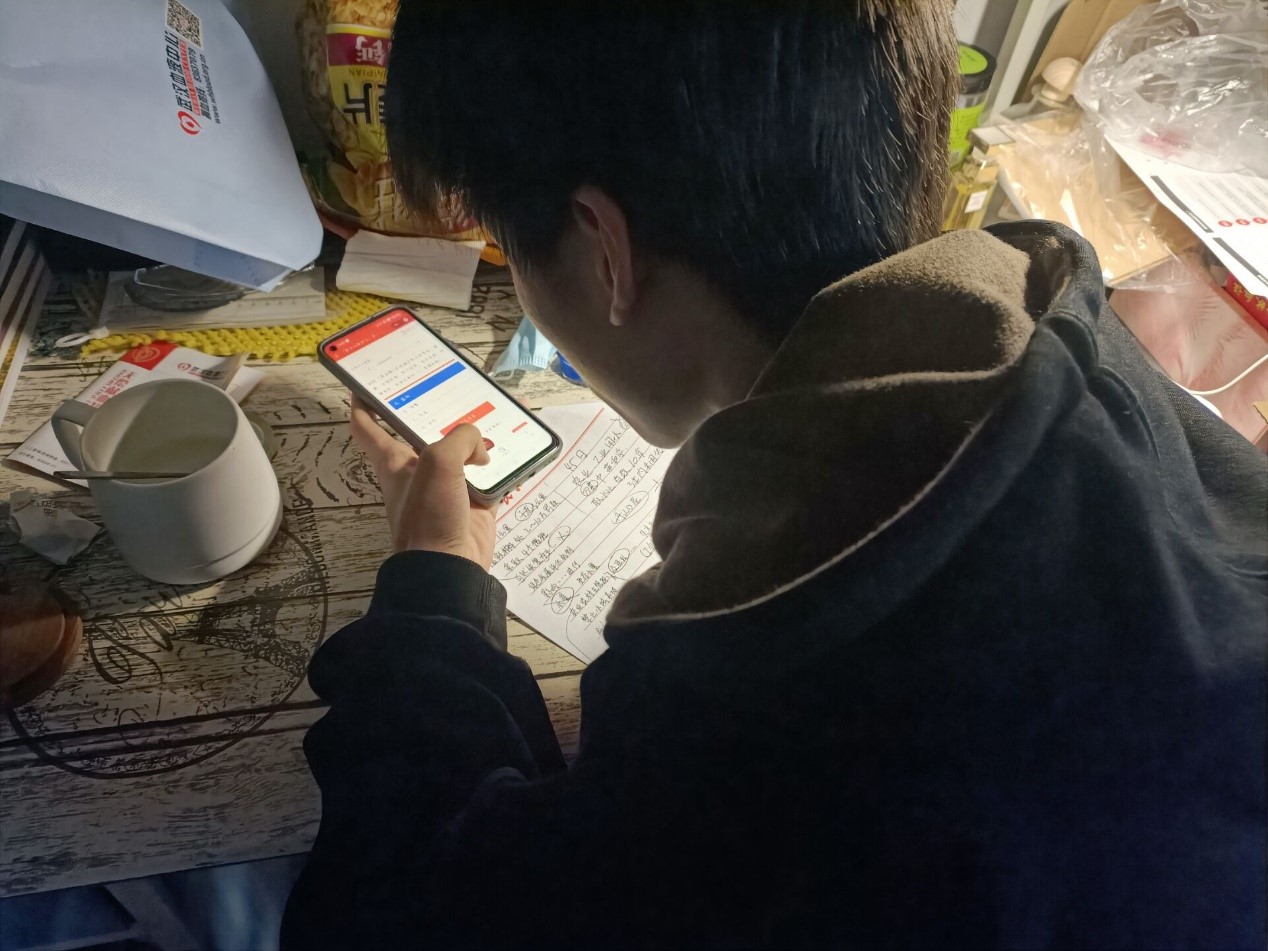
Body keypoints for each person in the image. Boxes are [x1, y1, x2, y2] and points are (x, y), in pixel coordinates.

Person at [282, 2, 1267, 947]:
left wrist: (433, 588)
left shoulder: (749, 689)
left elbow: (394, 914)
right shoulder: (1088, 345)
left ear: (603, 250)